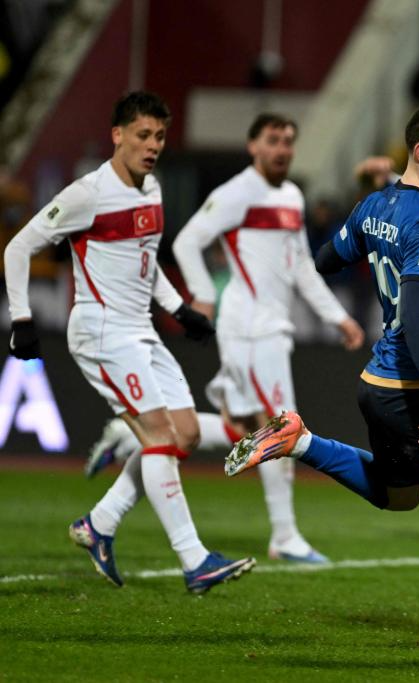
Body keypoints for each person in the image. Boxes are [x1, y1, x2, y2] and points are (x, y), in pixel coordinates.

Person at [223, 102, 419, 646]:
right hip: (416, 388)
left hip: (378, 384)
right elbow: (415, 312)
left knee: (400, 497)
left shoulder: (375, 205)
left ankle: (300, 441)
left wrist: (368, 218)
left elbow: (324, 259)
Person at [85, 113, 366, 564]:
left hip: (271, 329)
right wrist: (203, 295)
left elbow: (300, 266)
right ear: (253, 146)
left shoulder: (291, 196)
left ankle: (128, 439)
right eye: (273, 140)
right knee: (282, 427)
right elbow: (187, 241)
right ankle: (285, 536)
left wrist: (337, 317)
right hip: (249, 331)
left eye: (288, 141)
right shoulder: (238, 192)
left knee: (242, 430)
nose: (282, 149)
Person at [3, 91, 254, 593]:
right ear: (117, 135)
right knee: (159, 437)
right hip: (102, 331)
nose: (153, 145)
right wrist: (21, 318)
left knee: (183, 434)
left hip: (141, 329)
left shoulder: (152, 188)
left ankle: (99, 523)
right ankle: (195, 561)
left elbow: (146, 260)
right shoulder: (88, 194)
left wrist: (178, 308)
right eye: (143, 135)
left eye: (159, 136)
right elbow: (19, 246)